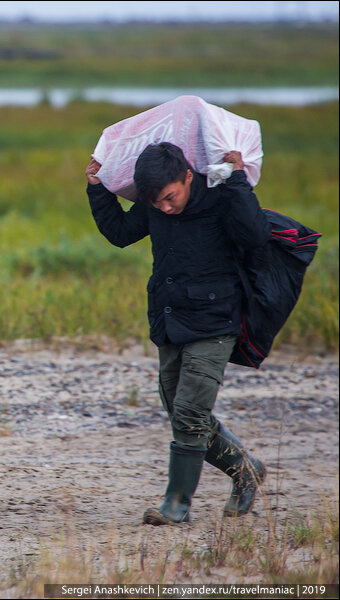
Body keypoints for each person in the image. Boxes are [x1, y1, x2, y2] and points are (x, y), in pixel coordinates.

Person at [85, 142, 270, 525]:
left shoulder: (222, 195)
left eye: (171, 198)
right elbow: (120, 233)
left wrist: (237, 180)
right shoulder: (155, 203)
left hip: (216, 322)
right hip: (170, 321)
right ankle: (245, 469)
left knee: (188, 413)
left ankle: (176, 505)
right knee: (182, 413)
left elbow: (255, 236)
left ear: (188, 175)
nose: (165, 208)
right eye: (157, 203)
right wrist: (97, 188)